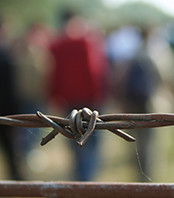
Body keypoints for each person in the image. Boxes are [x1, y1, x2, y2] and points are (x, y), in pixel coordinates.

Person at [47, 9, 108, 181]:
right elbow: (95, 71)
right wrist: (100, 94)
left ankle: (80, 175)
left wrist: (54, 96)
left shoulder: (56, 44)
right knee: (93, 138)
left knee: (73, 137)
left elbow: (53, 75)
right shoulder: (88, 41)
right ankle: (87, 178)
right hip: (91, 99)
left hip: (68, 100)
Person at [0, 16, 22, 180]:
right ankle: (18, 182)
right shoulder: (6, 55)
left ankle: (17, 181)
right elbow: (12, 87)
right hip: (6, 113)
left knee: (11, 152)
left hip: (6, 113)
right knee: (10, 152)